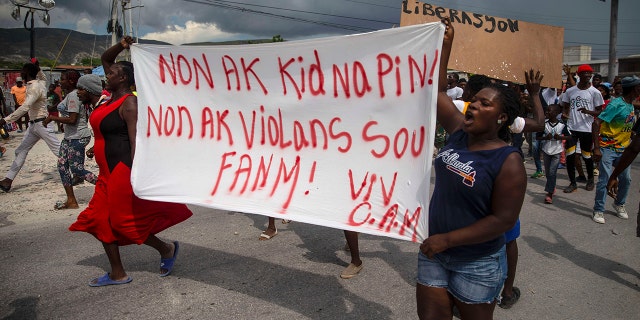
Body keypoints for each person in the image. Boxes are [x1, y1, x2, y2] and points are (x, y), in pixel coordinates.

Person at [416, 18, 526, 320]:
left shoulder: (509, 160)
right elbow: (437, 93)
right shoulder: (458, 133)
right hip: (434, 252)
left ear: (501, 118)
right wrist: (445, 45)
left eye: (484, 104)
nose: (474, 106)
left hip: (477, 262)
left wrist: (447, 240)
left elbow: (503, 220)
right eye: (474, 101)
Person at [69, 36, 193, 286]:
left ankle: (166, 248)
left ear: (123, 78)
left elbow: (136, 141)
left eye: (112, 73)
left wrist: (139, 172)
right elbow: (106, 58)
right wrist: (123, 46)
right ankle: (118, 273)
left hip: (122, 170)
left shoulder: (130, 103)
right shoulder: (108, 97)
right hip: (105, 171)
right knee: (99, 220)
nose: (108, 74)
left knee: (123, 221)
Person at [0, 63, 60, 193]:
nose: (21, 73)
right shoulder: (40, 83)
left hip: (42, 124)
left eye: (22, 70)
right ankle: (8, 180)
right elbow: (43, 77)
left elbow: (25, 107)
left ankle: (77, 171)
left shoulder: (35, 87)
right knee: (20, 151)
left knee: (58, 151)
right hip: (33, 125)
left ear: (26, 73)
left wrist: (5, 120)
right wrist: (38, 68)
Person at [43, 71, 98, 210]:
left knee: (77, 170)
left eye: (62, 79)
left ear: (71, 81)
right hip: (69, 136)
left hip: (78, 136)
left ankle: (107, 187)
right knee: (62, 167)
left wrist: (53, 118)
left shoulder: (74, 95)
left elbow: (73, 120)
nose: (60, 81)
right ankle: (71, 200)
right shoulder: (71, 95)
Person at [591, 76, 640, 224]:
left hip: (623, 149)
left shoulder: (631, 104)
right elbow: (596, 123)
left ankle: (619, 203)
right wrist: (597, 148)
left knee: (626, 179)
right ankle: (599, 209)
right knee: (604, 179)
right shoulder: (615, 105)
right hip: (608, 148)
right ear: (634, 89)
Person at [560, 64, 604, 193]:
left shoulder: (595, 93)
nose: (587, 76)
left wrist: (588, 112)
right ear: (579, 75)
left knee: (586, 156)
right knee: (570, 155)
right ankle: (572, 183)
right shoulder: (570, 91)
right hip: (571, 128)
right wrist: (565, 113)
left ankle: (590, 180)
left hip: (586, 129)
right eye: (584, 73)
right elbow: (565, 106)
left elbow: (600, 112)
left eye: (589, 74)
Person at [538, 104, 569, 204]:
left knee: (552, 172)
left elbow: (570, 137)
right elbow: (538, 137)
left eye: (549, 111)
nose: (547, 113)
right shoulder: (544, 124)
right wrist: (545, 138)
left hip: (557, 151)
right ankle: (552, 186)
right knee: (548, 172)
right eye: (546, 111)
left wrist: (560, 138)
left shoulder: (562, 125)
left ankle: (549, 193)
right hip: (546, 150)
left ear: (556, 113)